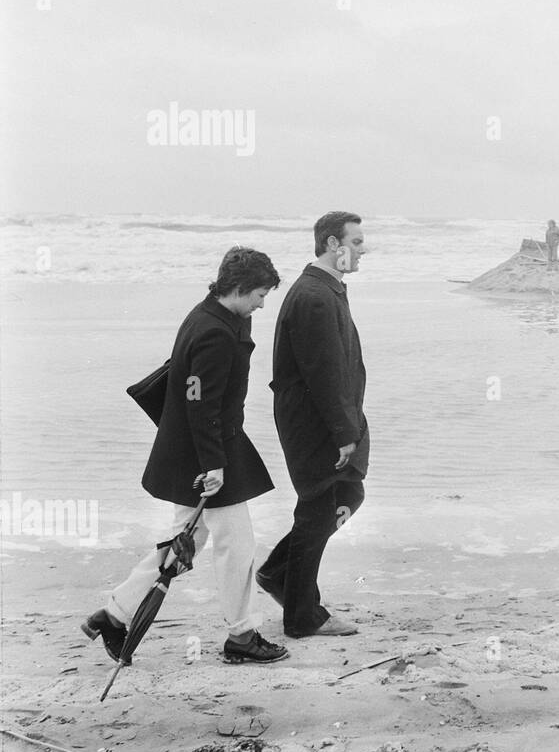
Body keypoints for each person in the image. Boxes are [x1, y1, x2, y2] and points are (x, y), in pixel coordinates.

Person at [82, 248, 288, 665]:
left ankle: (115, 615)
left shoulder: (213, 314)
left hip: (197, 449)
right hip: (206, 454)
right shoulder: (214, 331)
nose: (263, 304)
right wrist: (213, 465)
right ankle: (242, 636)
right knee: (238, 544)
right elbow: (200, 403)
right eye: (260, 295)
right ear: (240, 288)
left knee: (185, 544)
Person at [256, 211, 369, 638]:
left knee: (342, 497)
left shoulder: (326, 289)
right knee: (320, 509)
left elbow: (334, 370)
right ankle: (302, 615)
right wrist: (342, 433)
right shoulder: (315, 296)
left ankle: (278, 574)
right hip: (314, 424)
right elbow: (324, 374)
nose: (363, 250)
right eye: (355, 242)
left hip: (326, 418)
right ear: (331, 244)